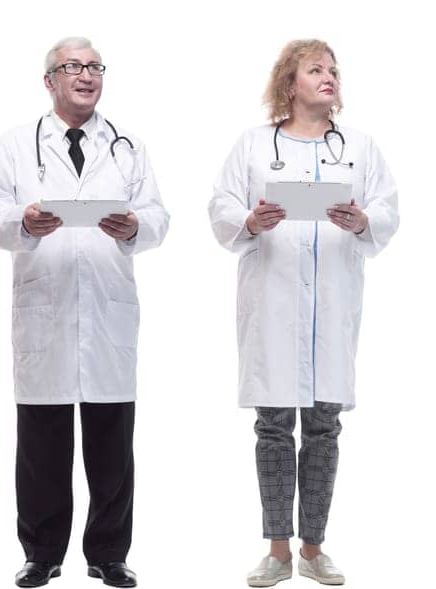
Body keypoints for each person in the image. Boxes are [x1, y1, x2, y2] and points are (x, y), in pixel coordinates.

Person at [0, 37, 168, 589]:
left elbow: (157, 216)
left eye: (94, 66)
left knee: (112, 447)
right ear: (49, 80)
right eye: (73, 67)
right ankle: (41, 553)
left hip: (108, 314)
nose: (86, 75)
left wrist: (136, 228)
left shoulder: (127, 146)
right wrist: (21, 223)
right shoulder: (15, 145)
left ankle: (108, 555)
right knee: (41, 445)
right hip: (45, 310)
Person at [208, 39, 398, 589]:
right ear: (289, 84)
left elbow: (387, 209)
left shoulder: (359, 147)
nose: (329, 76)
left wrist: (362, 220)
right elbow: (221, 207)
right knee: (272, 428)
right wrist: (252, 219)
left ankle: (314, 548)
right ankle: (276, 551)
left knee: (323, 427)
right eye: (316, 69)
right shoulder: (252, 145)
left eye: (334, 69)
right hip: (273, 304)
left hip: (332, 305)